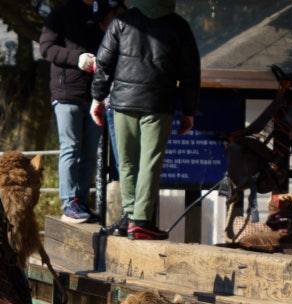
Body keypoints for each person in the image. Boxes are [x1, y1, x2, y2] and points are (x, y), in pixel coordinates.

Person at [90, 0, 200, 240]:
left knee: (127, 163)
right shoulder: (179, 25)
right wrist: (189, 110)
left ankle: (129, 217)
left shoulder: (122, 21)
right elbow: (190, 71)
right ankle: (140, 221)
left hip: (123, 102)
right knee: (150, 162)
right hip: (158, 103)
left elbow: (104, 62)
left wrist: (97, 98)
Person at [40, 0, 122, 224]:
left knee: (89, 151)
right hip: (66, 92)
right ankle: (69, 202)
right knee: (71, 147)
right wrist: (77, 59)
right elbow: (46, 48)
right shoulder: (61, 12)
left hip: (96, 94)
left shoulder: (104, 12)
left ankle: (82, 202)